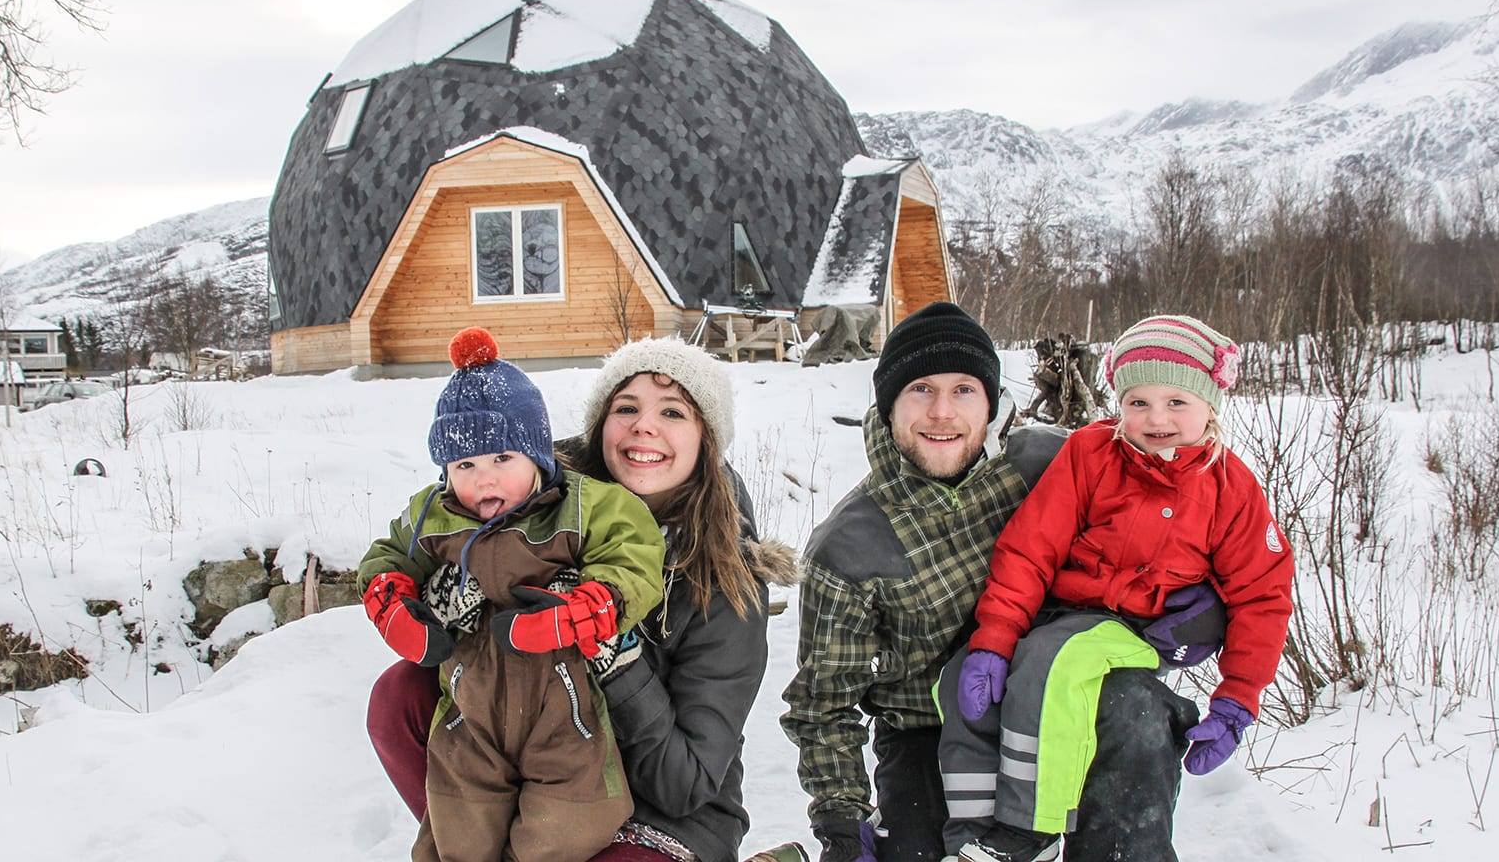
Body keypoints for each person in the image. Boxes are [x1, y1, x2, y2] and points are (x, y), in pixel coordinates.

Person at [366, 336, 799, 862]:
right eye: (626, 408)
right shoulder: (532, 499)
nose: (644, 426)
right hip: (525, 763)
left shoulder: (728, 582)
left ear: (706, 438)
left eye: (672, 412)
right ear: (601, 425)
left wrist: (614, 654)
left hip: (657, 811)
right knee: (400, 696)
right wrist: (442, 599)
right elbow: (422, 539)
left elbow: (683, 784)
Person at [938, 315, 1295, 862]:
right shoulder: (1091, 453)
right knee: (961, 677)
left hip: (1140, 626)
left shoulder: (1230, 487)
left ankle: (1029, 829)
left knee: (1050, 664)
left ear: (1209, 406)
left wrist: (1237, 699)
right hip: (1064, 612)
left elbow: (1261, 594)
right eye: (1139, 402)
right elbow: (1032, 547)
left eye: (1176, 402)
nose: (1157, 419)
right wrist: (993, 638)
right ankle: (970, 831)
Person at [357, 328, 667, 862]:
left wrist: (583, 611)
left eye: (502, 458)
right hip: (468, 715)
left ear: (536, 455)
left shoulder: (582, 506)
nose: (485, 481)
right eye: (465, 466)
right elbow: (385, 559)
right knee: (458, 835)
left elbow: (633, 556)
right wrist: (394, 609)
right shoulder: (432, 516)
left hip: (564, 714)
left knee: (564, 830)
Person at [780, 301, 1068, 862]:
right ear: (889, 404)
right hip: (926, 730)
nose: (942, 412)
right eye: (920, 389)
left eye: (964, 389)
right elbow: (824, 705)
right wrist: (842, 818)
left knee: (1132, 750)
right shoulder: (847, 547)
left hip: (1059, 703)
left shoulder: (1049, 465)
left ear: (991, 403)